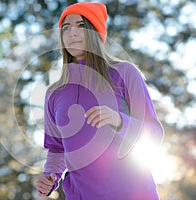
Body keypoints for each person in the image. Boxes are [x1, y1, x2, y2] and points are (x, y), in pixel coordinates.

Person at [36, 2, 164, 200]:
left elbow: (153, 134)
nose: (72, 33)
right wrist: (50, 176)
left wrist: (119, 120)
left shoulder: (124, 73)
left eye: (81, 25)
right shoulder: (54, 93)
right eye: (66, 28)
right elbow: (57, 149)